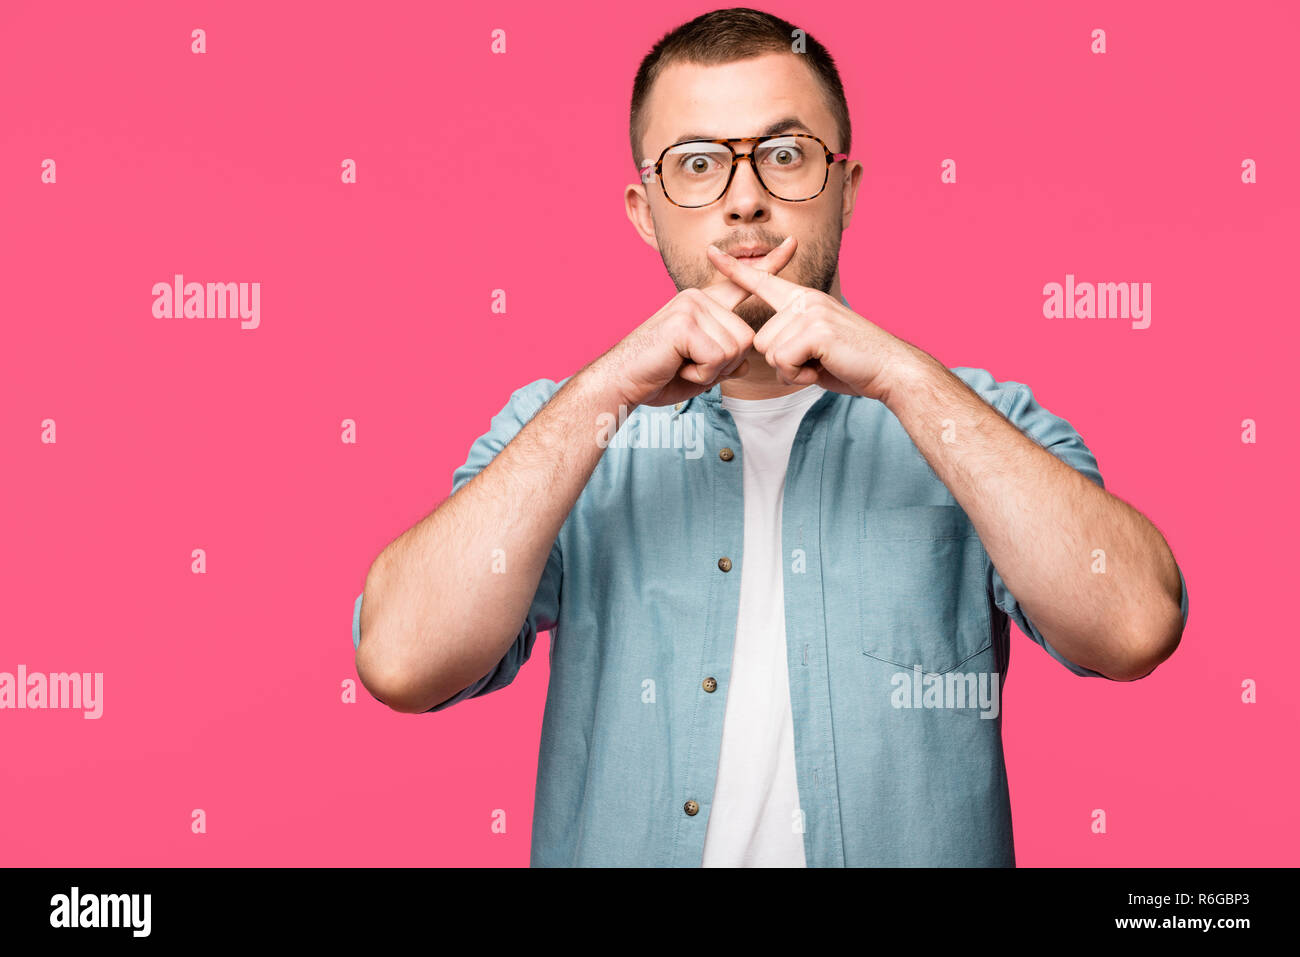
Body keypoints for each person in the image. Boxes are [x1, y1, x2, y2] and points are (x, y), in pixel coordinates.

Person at [350, 7, 1188, 867]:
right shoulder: (560, 428)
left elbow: (1133, 627)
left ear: (848, 189)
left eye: (785, 156)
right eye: (699, 165)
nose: (745, 198)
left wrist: (905, 379)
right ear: (645, 212)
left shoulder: (977, 416)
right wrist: (604, 387)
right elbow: (403, 660)